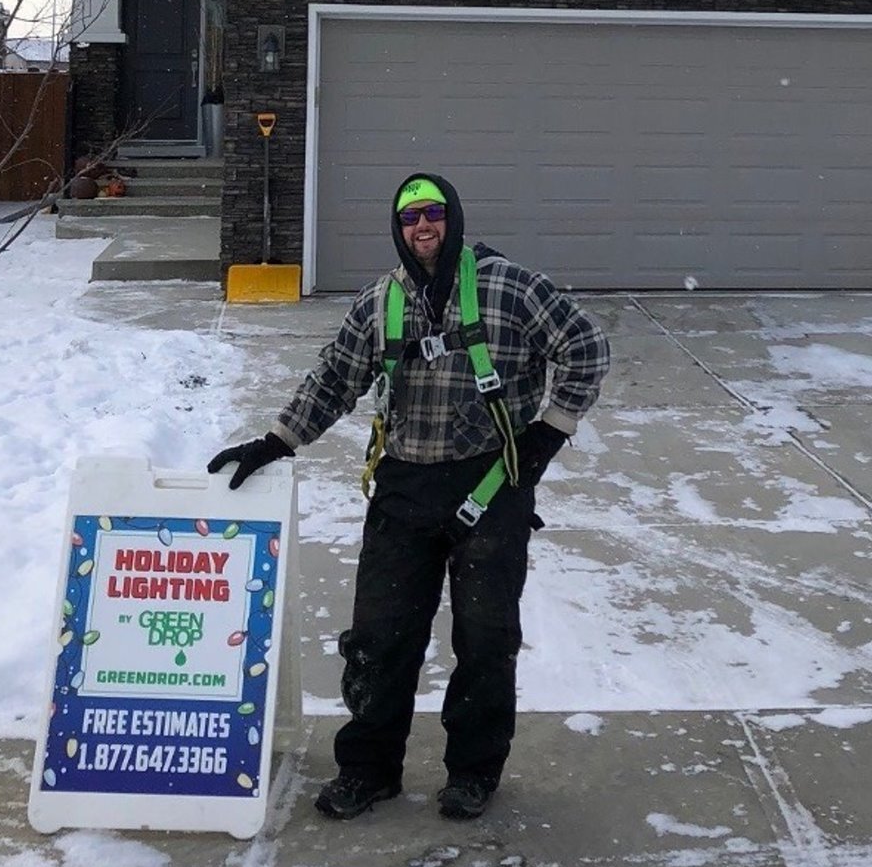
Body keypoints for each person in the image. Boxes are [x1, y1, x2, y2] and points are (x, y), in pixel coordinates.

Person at [208, 173, 610, 821]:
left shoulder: (509, 287)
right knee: (378, 639)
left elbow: (586, 346)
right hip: (405, 486)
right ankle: (368, 770)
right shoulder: (380, 302)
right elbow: (335, 377)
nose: (421, 227)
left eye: (432, 214)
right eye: (408, 219)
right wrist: (275, 441)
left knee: (485, 640)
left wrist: (548, 432)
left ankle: (473, 773)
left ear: (452, 217)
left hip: (491, 484)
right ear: (398, 232)